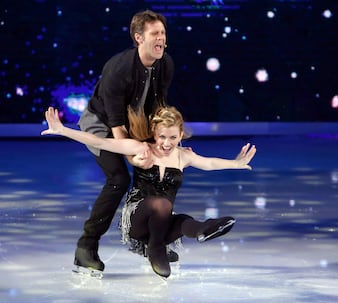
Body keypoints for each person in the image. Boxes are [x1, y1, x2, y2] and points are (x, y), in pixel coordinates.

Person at [41, 106, 256, 278]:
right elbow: (101, 141)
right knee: (162, 204)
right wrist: (63, 130)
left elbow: (209, 163)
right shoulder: (141, 149)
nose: (167, 143)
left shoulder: (183, 156)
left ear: (181, 135)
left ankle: (203, 228)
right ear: (155, 133)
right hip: (136, 221)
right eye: (162, 137)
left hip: (161, 224)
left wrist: (236, 163)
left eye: (173, 138)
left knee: (182, 220)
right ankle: (156, 249)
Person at [74, 9, 174, 273]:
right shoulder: (119, 69)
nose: (161, 38)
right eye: (155, 33)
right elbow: (116, 124)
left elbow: (158, 108)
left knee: (156, 170)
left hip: (137, 122)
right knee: (119, 179)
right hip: (101, 124)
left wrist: (167, 139)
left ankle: (146, 239)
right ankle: (86, 246)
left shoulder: (166, 64)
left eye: (163, 32)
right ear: (139, 38)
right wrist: (132, 156)